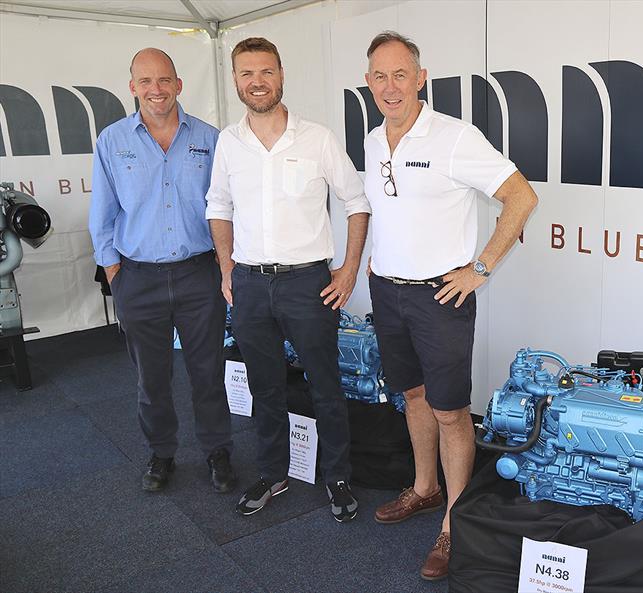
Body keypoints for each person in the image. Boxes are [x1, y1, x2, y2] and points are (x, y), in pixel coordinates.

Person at [363, 31, 539, 580]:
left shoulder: (455, 137)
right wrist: (373, 261)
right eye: (379, 76)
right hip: (387, 292)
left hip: (439, 298)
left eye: (400, 75)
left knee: (449, 411)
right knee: (412, 396)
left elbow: (521, 196)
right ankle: (424, 487)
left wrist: (480, 268)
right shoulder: (371, 140)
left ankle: (453, 524)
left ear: (421, 79)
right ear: (368, 85)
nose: (390, 87)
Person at [205, 37, 371, 523]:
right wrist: (226, 266)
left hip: (308, 283)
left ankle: (337, 477)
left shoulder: (317, 138)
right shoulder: (228, 142)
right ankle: (272, 472)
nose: (257, 82)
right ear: (236, 80)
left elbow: (357, 201)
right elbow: (218, 205)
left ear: (281, 74)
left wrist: (348, 269)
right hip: (251, 284)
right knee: (265, 386)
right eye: (246, 73)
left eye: (266, 71)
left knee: (325, 385)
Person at [89, 48, 236, 493]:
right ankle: (161, 453)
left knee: (208, 373)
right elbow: (102, 214)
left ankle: (218, 452)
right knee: (151, 378)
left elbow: (226, 209)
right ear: (132, 87)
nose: (156, 90)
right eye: (145, 82)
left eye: (164, 80)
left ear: (178, 84)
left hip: (199, 275)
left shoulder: (211, 139)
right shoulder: (112, 142)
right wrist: (116, 274)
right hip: (138, 278)